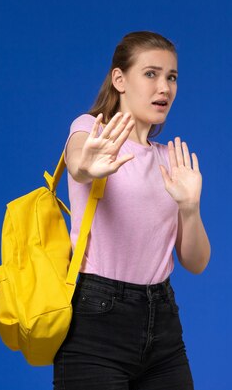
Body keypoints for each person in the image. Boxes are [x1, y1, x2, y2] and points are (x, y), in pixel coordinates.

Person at [53, 31, 211, 390]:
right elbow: (78, 161)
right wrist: (86, 164)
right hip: (95, 322)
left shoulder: (170, 161)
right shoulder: (91, 131)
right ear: (120, 79)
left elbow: (197, 262)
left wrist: (189, 208)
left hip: (163, 324)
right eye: (151, 74)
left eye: (171, 77)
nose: (165, 88)